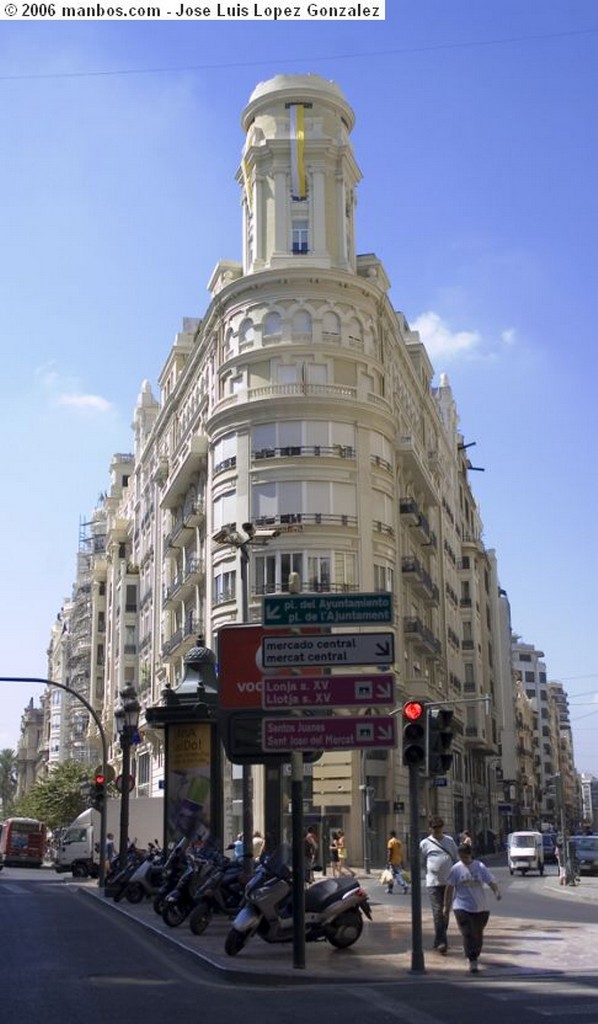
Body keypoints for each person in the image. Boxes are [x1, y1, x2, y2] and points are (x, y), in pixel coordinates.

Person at [443, 842, 501, 973]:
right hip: (461, 906)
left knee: (477, 935)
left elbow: (490, 881)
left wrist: (496, 892)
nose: (464, 860)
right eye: (461, 857)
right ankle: (472, 959)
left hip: (480, 908)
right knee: (467, 933)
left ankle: (475, 954)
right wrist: (446, 907)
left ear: (470, 855)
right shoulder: (456, 869)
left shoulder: (479, 866)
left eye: (466, 857)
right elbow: (449, 887)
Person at [419, 816, 459, 953]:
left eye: (439, 828)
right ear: (430, 829)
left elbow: (456, 858)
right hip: (433, 883)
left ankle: (439, 938)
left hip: (448, 883)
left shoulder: (449, 841)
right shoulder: (425, 843)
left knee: (445, 911)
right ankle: (442, 941)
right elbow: (422, 860)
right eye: (434, 828)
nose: (437, 831)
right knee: (437, 912)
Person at [386, 830, 409, 894]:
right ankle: (390, 889)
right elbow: (401, 853)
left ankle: (404, 885)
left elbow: (390, 852)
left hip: (393, 861)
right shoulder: (399, 842)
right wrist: (402, 862)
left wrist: (388, 861)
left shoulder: (391, 842)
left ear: (390, 835)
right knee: (393, 875)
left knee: (391, 876)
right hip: (398, 860)